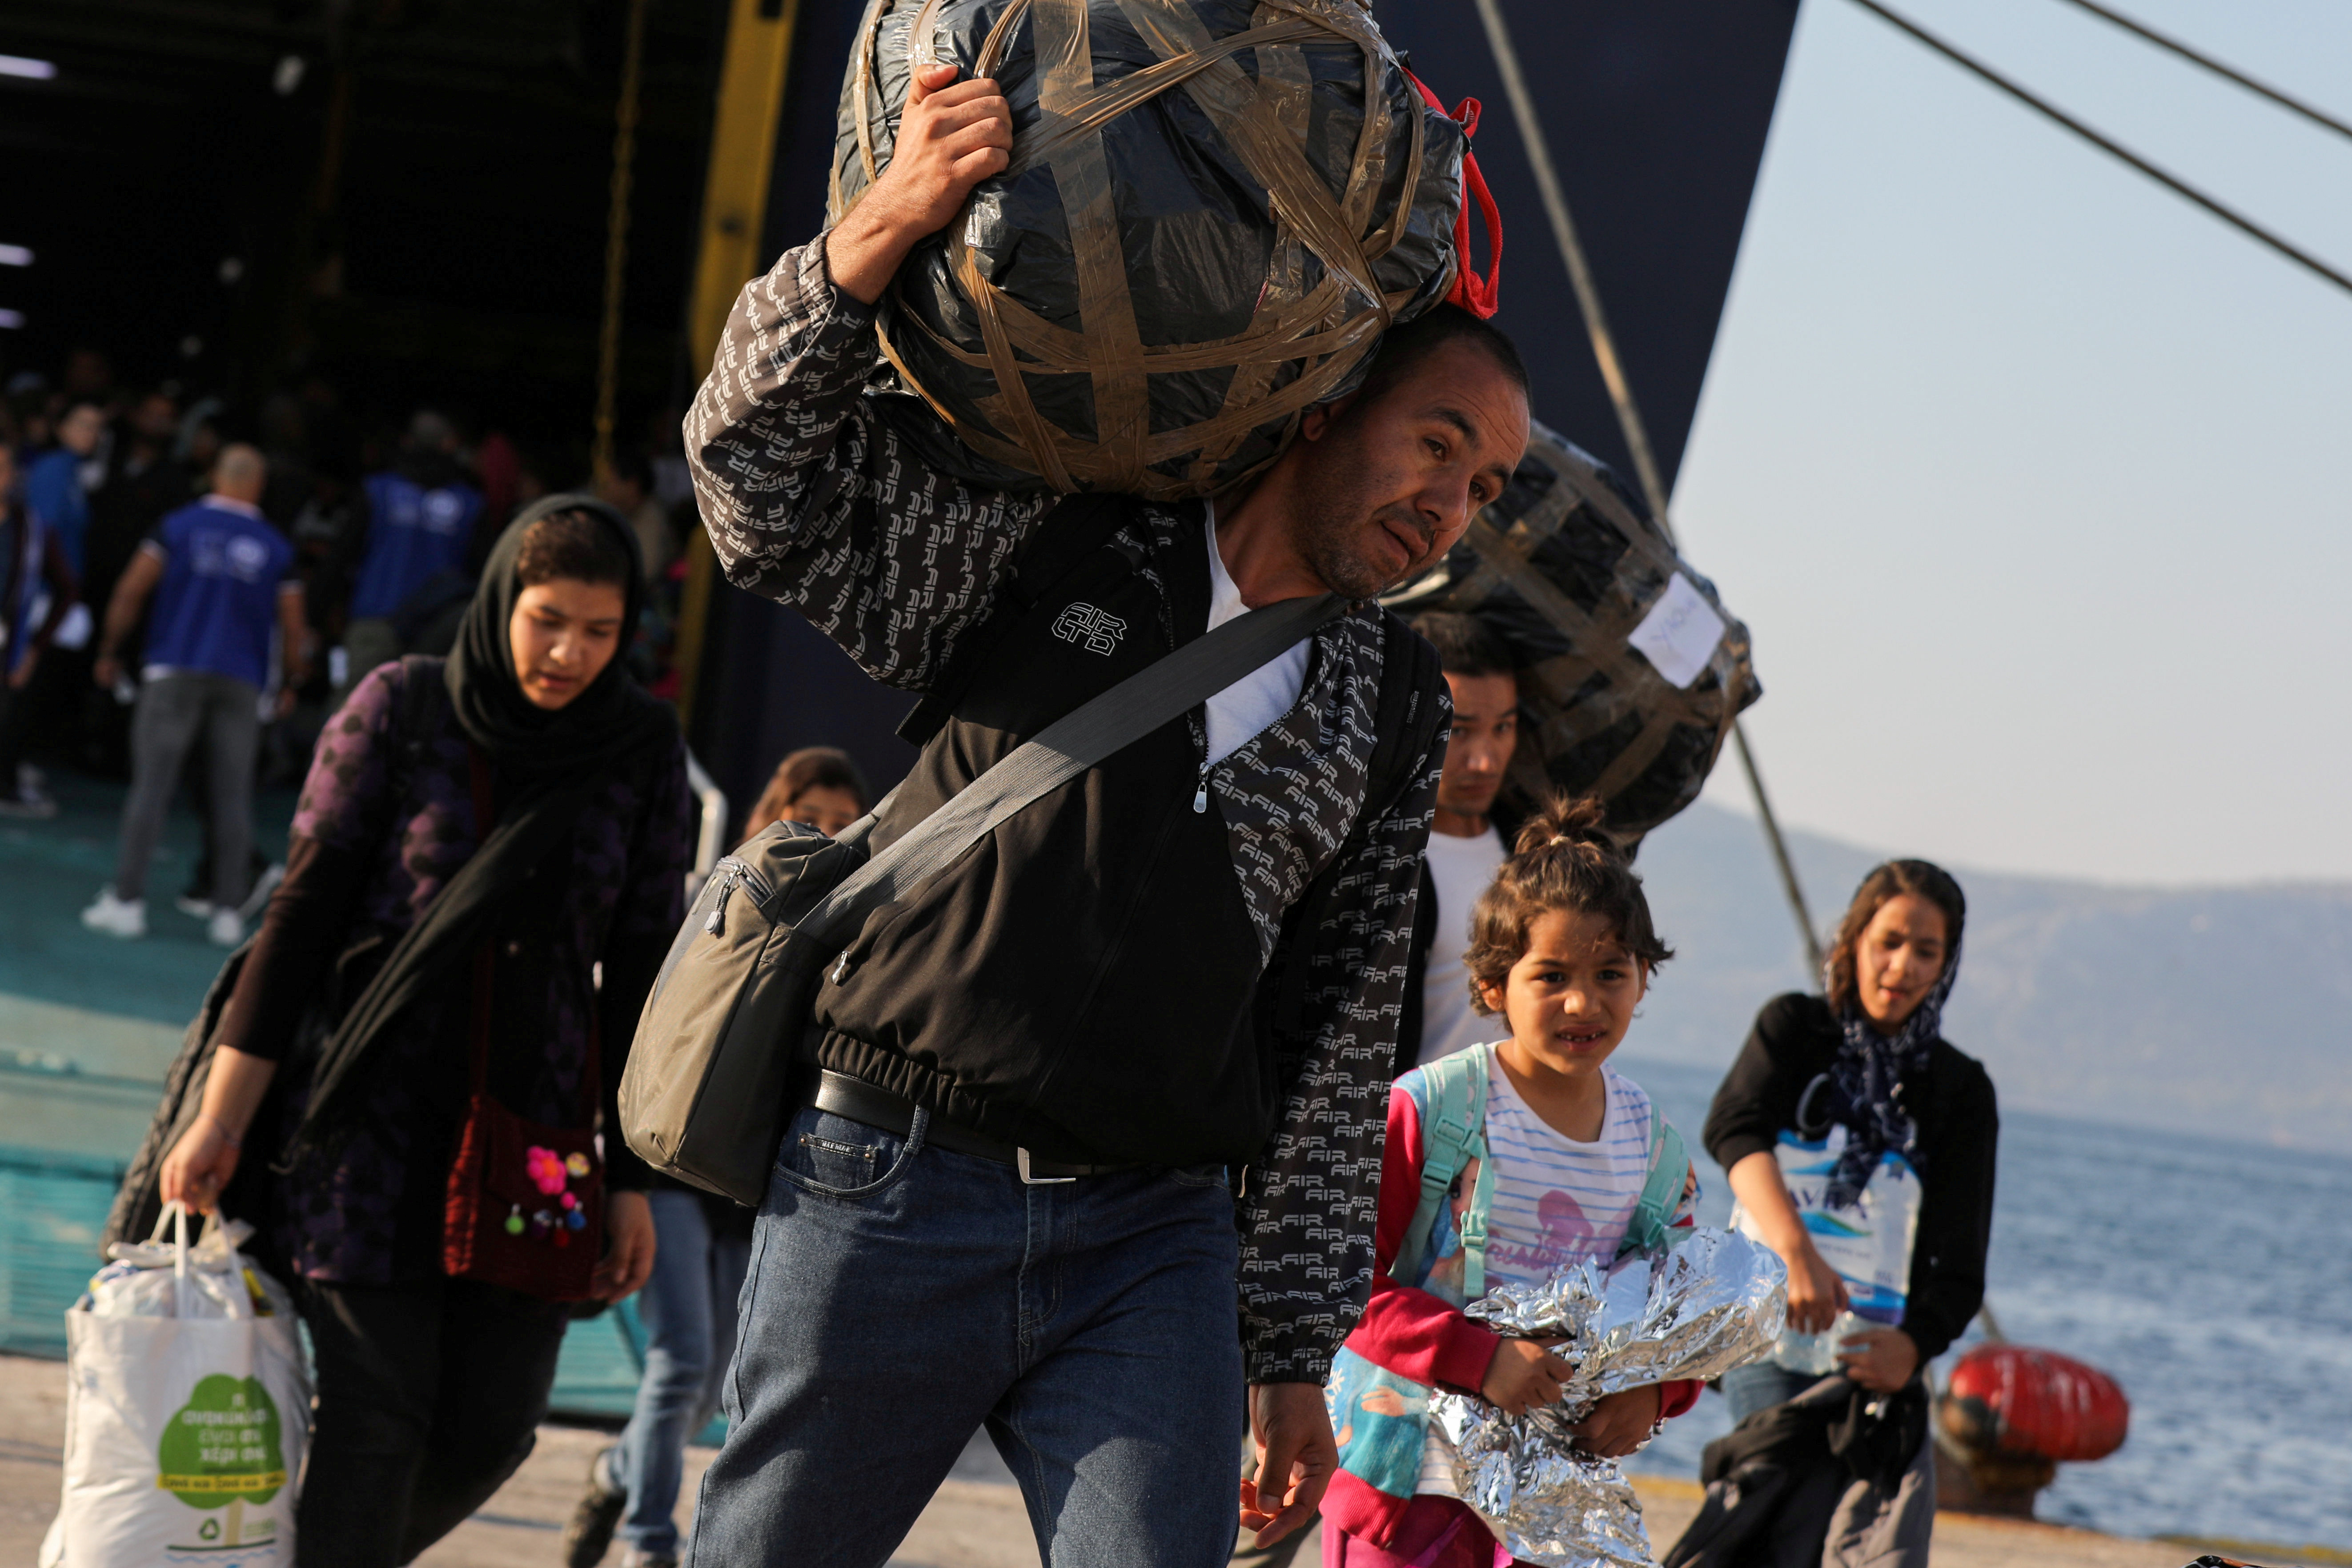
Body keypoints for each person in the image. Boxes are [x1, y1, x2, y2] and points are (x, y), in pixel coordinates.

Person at [680, 61, 1529, 1568]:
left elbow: (1333, 1042)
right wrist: (881, 228)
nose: (1449, 505)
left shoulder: (1392, 699)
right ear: (1324, 404)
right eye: (1439, 445)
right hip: (889, 1183)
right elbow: (756, 486)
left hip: (1155, 1237)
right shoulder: (1064, 536)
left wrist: (1288, 1346)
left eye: (1486, 488)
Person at [154, 496, 690, 1567]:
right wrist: (219, 1120)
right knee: (378, 1407)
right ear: (502, 601)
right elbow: (298, 922)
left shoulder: (639, 749)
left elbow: (642, 975)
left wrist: (632, 1177)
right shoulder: (400, 709)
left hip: (536, 1141)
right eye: (546, 619)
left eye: (597, 629)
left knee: (491, 1425)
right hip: (368, 1126)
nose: (568, 652)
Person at [1317, 795, 1702, 1568]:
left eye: (1610, 972)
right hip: (1409, 1487)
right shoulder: (1433, 1109)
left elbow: (1683, 1307)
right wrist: (1477, 1358)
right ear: (1495, 984)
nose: (1583, 1001)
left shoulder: (1654, 1151)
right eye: (1552, 974)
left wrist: (1657, 1396)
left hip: (1552, 1509)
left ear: (1644, 978)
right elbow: (1338, 1282)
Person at [564, 748, 875, 1568]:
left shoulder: (862, 928)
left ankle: (614, 1470)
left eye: (848, 821)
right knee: (683, 1363)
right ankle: (648, 1540)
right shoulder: (726, 903)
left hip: (758, 1177)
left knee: (715, 1384)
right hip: (675, 1169)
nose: (832, 834)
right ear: (774, 812)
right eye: (816, 815)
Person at [1667, 861, 1997, 1567]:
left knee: (1838, 1540)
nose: (1901, 965)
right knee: (1762, 1498)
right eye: (1888, 940)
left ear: (1946, 963)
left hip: (1873, 1358)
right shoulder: (1792, 1028)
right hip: (1767, 1331)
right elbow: (1734, 1127)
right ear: (1852, 939)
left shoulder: (1958, 1088)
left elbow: (1961, 1264)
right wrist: (1796, 1255)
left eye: (1925, 950)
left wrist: (1912, 1345)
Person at [81, 446, 303, 944]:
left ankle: (127, 900)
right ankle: (226, 912)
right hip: (241, 680)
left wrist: (110, 648)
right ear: (258, 486)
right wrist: (290, 682)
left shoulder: (177, 526)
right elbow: (293, 625)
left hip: (174, 667)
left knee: (151, 788)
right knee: (232, 794)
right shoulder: (274, 545)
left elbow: (131, 589)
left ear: (214, 477)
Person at [1399, 611, 1523, 1075]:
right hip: (1405, 1139)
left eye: (1503, 728)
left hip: (1503, 1143)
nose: (1484, 760)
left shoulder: (1532, 858)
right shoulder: (1376, 863)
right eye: (1460, 730)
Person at [335, 409, 486, 693]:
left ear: (407, 442)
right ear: (450, 445)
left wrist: (320, 614)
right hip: (439, 631)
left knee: (353, 717)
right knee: (423, 721)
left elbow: (342, 556)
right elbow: (483, 574)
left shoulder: (377, 490)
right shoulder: (470, 503)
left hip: (378, 620)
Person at [0, 442, 81, 817]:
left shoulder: (31, 528)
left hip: (9, 645)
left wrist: (33, 649)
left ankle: (8, 784)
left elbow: (67, 589)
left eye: (4, 467)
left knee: (11, 718)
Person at [738, 745, 869, 842]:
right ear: (775, 814)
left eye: (841, 826)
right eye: (808, 821)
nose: (825, 836)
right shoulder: (737, 876)